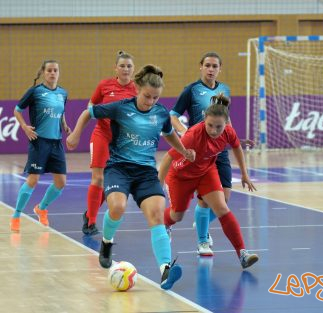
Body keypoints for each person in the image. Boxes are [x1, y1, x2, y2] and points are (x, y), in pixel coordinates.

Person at [66, 64, 195, 290]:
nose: (150, 101)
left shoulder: (161, 113)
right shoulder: (120, 108)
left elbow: (169, 134)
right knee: (117, 207)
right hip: (119, 168)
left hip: (145, 172)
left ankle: (165, 270)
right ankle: (107, 243)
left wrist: (184, 151)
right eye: (147, 96)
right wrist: (76, 134)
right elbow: (89, 111)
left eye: (155, 98)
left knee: (157, 214)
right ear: (137, 89)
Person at [159, 93, 259, 269]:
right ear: (204, 119)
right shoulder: (192, 136)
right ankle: (165, 222)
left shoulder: (228, 132)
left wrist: (244, 174)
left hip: (206, 172)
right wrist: (157, 185)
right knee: (177, 215)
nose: (214, 130)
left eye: (218, 127)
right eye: (210, 125)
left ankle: (242, 253)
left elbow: (237, 147)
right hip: (180, 176)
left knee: (222, 208)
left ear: (226, 124)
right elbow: (168, 158)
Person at [170, 52, 233, 256]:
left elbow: (226, 120)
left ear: (220, 68)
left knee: (225, 198)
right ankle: (203, 240)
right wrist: (184, 132)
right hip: (200, 153)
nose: (211, 69)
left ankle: (201, 224)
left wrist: (233, 138)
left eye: (215, 66)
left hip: (220, 150)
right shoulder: (192, 90)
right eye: (207, 65)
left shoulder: (224, 90)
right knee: (206, 200)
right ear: (201, 67)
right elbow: (172, 116)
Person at [10, 60, 70, 232]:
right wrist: (25, 127)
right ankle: (16, 215)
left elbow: (61, 112)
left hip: (56, 142)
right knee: (33, 179)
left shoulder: (63, 93)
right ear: (44, 72)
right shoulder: (35, 92)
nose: (52, 73)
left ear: (59, 72)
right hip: (39, 141)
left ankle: (41, 208)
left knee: (61, 182)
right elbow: (17, 110)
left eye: (55, 70)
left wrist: (64, 125)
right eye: (49, 70)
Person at [82, 50, 138, 235]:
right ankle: (90, 222)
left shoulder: (137, 89)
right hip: (102, 135)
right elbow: (90, 105)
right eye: (122, 66)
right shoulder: (105, 85)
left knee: (111, 183)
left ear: (133, 69)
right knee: (98, 178)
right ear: (115, 68)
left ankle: (89, 213)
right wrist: (99, 113)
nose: (125, 69)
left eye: (129, 66)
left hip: (122, 142)